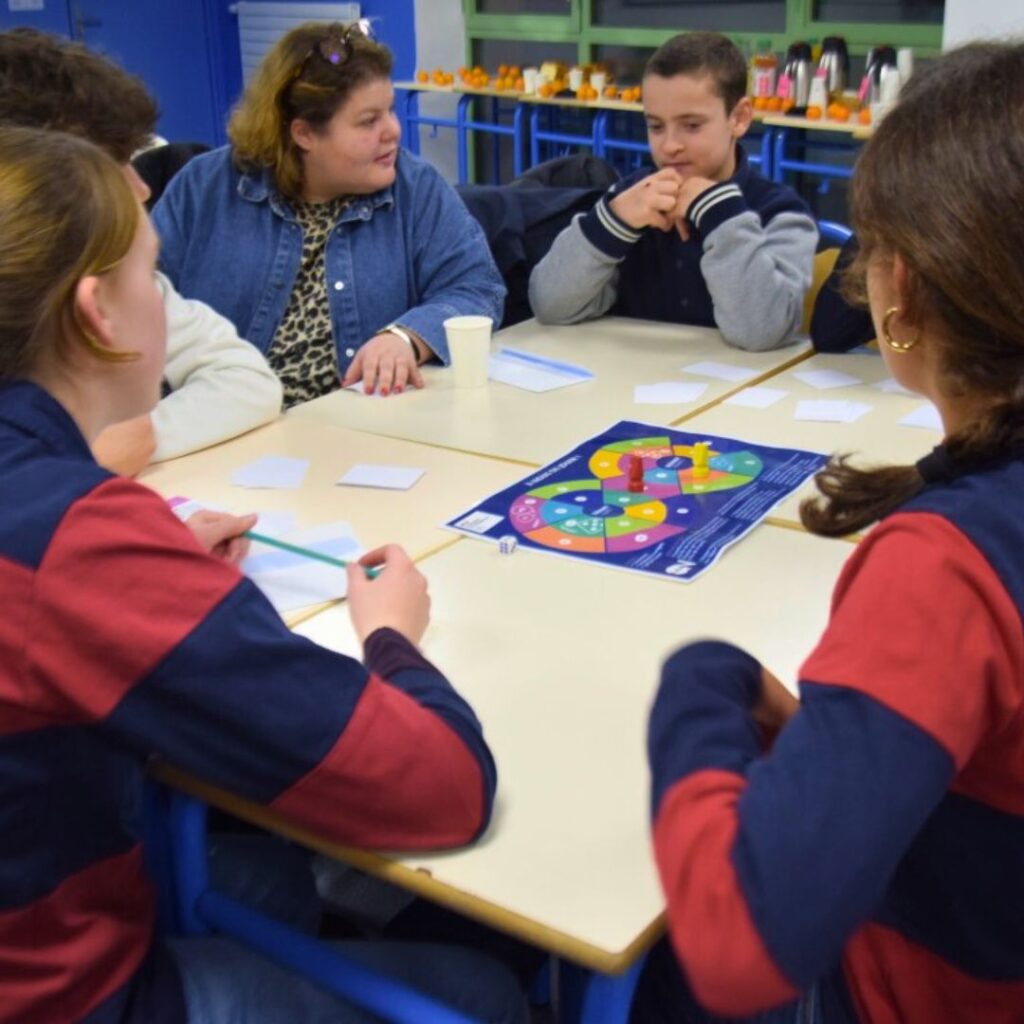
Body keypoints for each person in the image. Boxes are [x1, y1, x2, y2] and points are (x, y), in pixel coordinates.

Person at [0, 126, 526, 1023]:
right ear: (98, 312)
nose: (170, 305)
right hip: (58, 993)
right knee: (485, 995)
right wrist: (391, 636)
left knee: (272, 881)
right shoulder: (75, 539)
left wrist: (147, 571)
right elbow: (443, 786)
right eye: (154, 278)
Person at [634, 41, 1024, 1024]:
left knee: (660, 971)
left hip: (922, 988)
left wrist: (701, 678)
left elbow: (739, 942)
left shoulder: (947, 561)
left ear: (900, 290)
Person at [152, 20, 505, 405]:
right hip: (224, 429)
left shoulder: (415, 188)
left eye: (389, 111)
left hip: (360, 429)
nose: (392, 131)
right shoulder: (205, 188)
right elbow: (134, 312)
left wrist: (406, 337)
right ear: (304, 134)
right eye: (368, 121)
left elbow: (477, 287)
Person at [0, 28, 283, 476]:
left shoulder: (108, 274)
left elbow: (247, 380)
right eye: (109, 167)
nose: (141, 187)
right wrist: (64, 459)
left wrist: (133, 438)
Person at [529, 32, 816, 352]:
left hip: (738, 392)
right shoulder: (632, 200)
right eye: (655, 126)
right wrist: (611, 222)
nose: (669, 146)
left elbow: (762, 332)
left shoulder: (781, 212)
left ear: (739, 118)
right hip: (628, 385)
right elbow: (549, 305)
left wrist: (718, 212)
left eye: (692, 126)